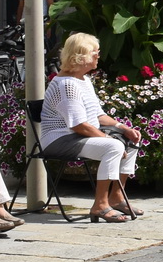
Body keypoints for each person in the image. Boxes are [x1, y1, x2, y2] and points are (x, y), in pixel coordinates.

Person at [41, 33, 144, 223]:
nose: (98, 56)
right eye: (95, 52)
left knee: (131, 140)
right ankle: (100, 205)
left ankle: (117, 197)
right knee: (113, 147)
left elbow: (98, 115)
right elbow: (79, 125)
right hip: (60, 139)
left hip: (78, 136)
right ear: (80, 57)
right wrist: (109, 140)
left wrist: (124, 128)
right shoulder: (66, 85)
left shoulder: (83, 80)